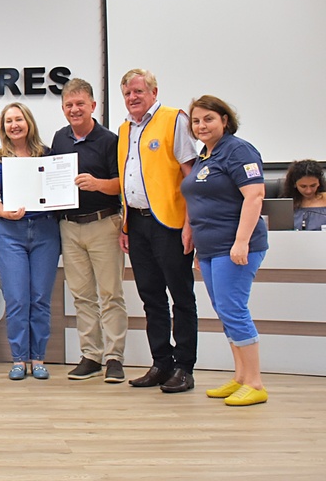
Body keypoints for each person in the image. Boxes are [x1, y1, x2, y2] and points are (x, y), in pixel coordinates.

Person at [181, 95, 269, 406]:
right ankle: (241, 377)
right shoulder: (206, 155)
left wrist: (241, 241)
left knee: (234, 310)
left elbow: (255, 196)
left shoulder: (237, 149)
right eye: (196, 120)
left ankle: (255, 382)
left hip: (234, 247)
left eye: (208, 119)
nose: (201, 125)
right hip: (209, 249)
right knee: (225, 312)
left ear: (224, 120)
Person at [117, 68, 198, 393]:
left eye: (138, 91)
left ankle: (184, 367)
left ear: (153, 91)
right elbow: (129, 179)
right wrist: (125, 225)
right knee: (151, 298)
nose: (133, 98)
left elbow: (190, 176)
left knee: (181, 297)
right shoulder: (125, 129)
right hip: (136, 223)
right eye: (127, 94)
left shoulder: (173, 119)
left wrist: (190, 224)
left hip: (170, 223)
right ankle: (161, 363)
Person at [50, 79, 128, 383]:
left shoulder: (110, 140)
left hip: (103, 223)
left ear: (93, 106)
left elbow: (122, 182)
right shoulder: (59, 138)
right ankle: (91, 355)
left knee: (110, 294)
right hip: (69, 226)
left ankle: (114, 357)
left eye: (80, 103)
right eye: (69, 105)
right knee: (82, 296)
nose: (74, 109)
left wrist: (98, 184)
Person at [0, 102, 61, 381]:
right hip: (10, 234)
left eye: (19, 119)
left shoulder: (47, 155)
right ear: (3, 127)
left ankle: (38, 358)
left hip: (45, 232)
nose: (14, 125)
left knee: (40, 299)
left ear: (29, 122)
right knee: (17, 299)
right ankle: (19, 359)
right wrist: (3, 212)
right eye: (9, 121)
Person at [284, 159, 326, 231]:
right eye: (303, 186)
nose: (308, 191)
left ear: (319, 182)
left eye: (313, 185)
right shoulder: (287, 204)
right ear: (295, 184)